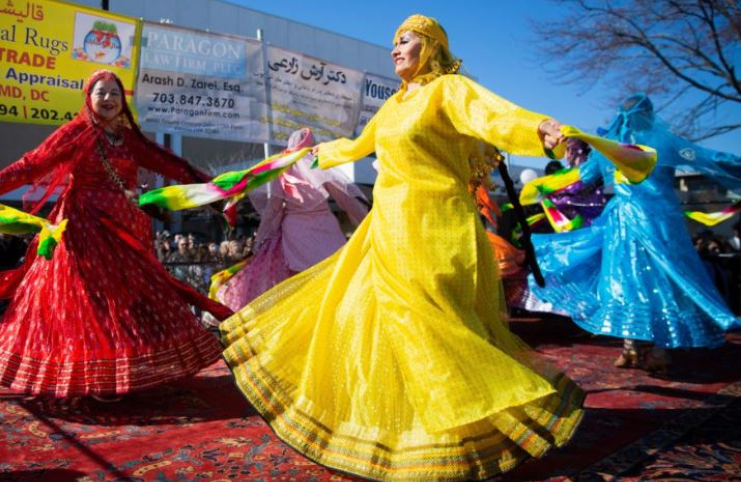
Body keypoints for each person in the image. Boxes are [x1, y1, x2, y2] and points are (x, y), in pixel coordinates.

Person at [219, 15, 583, 481]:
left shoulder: (450, 91)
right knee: (364, 318)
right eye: (392, 42)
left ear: (430, 46)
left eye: (404, 40)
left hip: (437, 226)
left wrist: (544, 129)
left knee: (434, 327)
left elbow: (496, 116)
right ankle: (405, 433)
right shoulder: (393, 106)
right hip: (387, 228)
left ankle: (489, 419)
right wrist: (310, 155)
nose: (394, 49)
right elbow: (356, 145)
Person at [0, 69, 232, 397]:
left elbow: (170, 162)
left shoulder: (131, 139)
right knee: (88, 302)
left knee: (131, 301)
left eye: (115, 93)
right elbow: (32, 164)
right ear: (88, 97)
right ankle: (88, 376)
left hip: (127, 232)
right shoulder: (74, 133)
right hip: (83, 230)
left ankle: (126, 373)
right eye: (101, 92)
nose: (108, 99)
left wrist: (210, 189)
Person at [529, 94, 741, 374]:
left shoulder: (609, 146)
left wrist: (545, 190)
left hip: (624, 222)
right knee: (665, 281)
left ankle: (634, 347)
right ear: (649, 114)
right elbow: (710, 158)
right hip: (661, 223)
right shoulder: (664, 142)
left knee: (625, 281)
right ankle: (657, 349)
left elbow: (583, 179)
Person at [215, 128, 369, 311]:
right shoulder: (319, 165)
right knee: (334, 276)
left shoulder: (282, 168)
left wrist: (262, 238)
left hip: (295, 230)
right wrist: (366, 221)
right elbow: (346, 199)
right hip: (326, 228)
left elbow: (274, 209)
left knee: (295, 282)